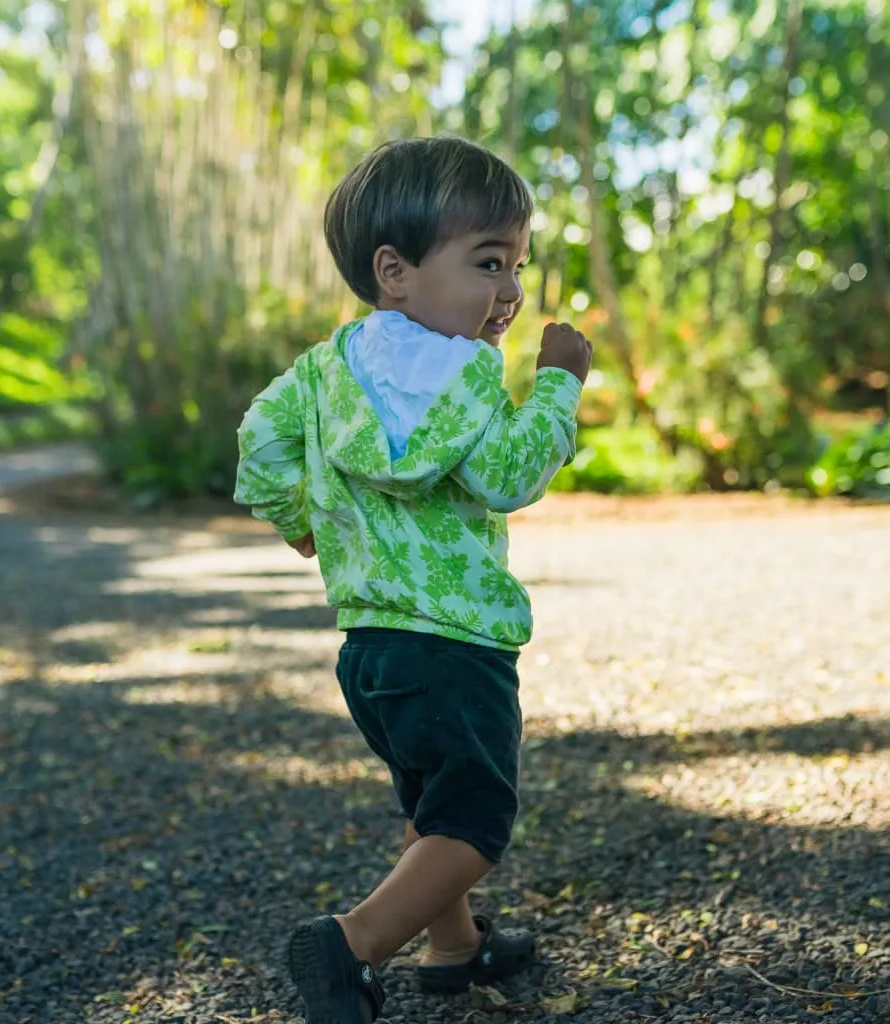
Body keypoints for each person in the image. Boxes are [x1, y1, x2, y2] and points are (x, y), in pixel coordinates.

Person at [234, 135, 592, 1024]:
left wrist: (302, 522)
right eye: (486, 263)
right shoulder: (467, 373)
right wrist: (555, 388)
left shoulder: (323, 372)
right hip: (454, 648)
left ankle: (454, 946)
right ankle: (352, 944)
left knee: (433, 803)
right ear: (393, 270)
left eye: (515, 264)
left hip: (372, 651)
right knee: (474, 822)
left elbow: (259, 445)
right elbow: (509, 474)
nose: (508, 291)